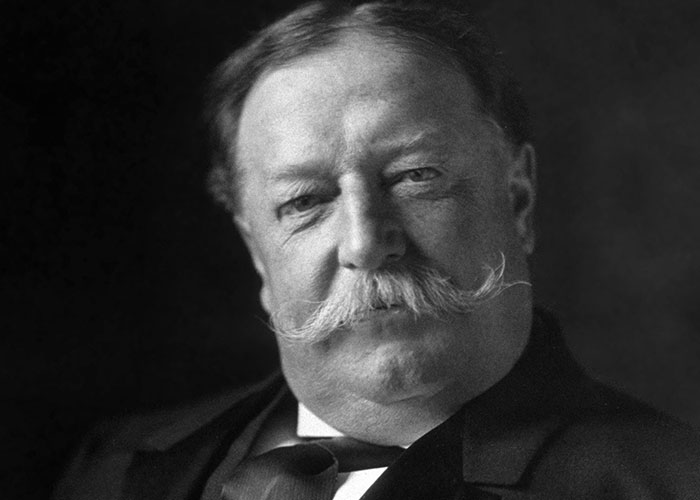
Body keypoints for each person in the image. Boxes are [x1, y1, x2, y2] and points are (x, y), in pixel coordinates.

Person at [53, 1, 700, 499]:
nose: (365, 244)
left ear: (519, 200)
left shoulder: (670, 481)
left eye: (416, 177)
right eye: (305, 201)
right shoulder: (114, 466)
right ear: (255, 252)